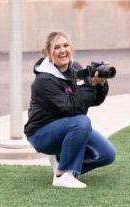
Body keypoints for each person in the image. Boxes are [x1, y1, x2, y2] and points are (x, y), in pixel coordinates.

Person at [24, 32, 116, 188]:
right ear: (48, 52)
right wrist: (90, 85)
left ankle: (63, 163)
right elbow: (70, 108)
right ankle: (62, 175)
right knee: (82, 122)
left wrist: (99, 83)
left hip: (69, 126)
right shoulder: (44, 80)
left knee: (107, 154)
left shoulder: (76, 69)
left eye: (66, 45)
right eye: (57, 47)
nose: (63, 50)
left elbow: (94, 101)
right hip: (41, 133)